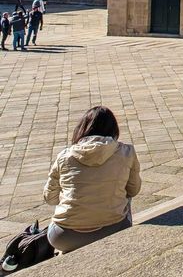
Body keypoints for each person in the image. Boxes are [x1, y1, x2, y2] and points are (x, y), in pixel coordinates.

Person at [43, 105, 141, 254]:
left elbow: (50, 199)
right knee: (126, 195)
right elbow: (133, 190)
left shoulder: (64, 156)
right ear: (114, 129)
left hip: (64, 237)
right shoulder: (127, 152)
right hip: (114, 228)